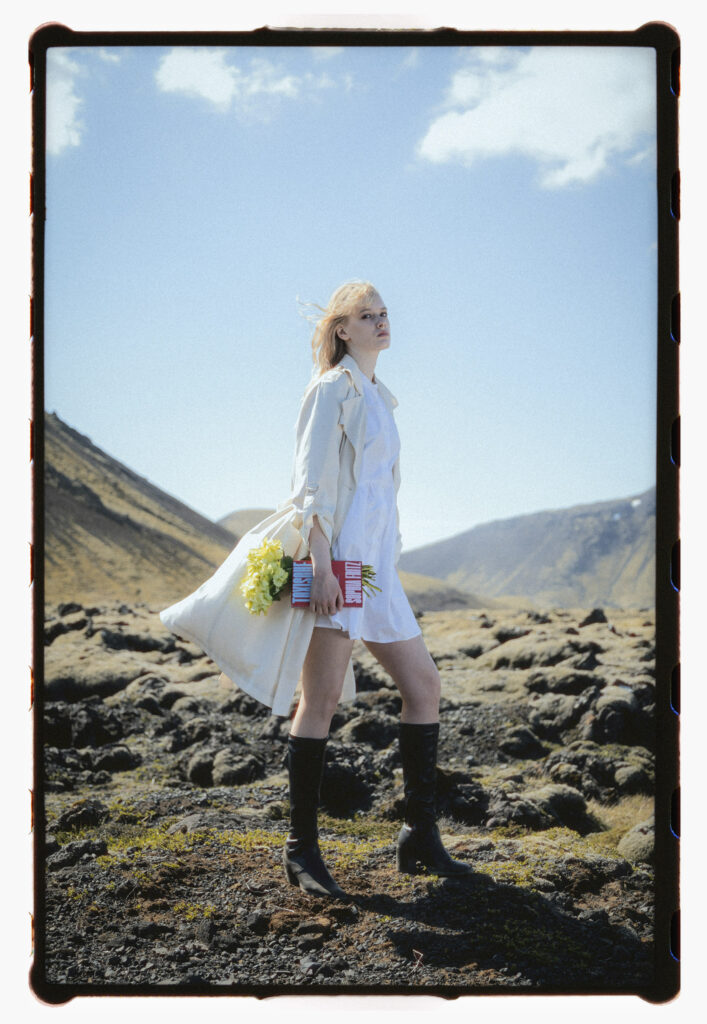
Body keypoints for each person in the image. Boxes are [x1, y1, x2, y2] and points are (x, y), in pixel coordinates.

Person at [160, 280, 472, 901]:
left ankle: (419, 837)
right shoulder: (331, 389)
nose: (382, 322)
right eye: (366, 315)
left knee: (425, 686)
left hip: (376, 570)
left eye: (384, 313)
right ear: (341, 330)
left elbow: (381, 492)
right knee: (321, 698)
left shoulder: (379, 394)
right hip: (338, 564)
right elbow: (310, 486)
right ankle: (301, 849)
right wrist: (324, 567)